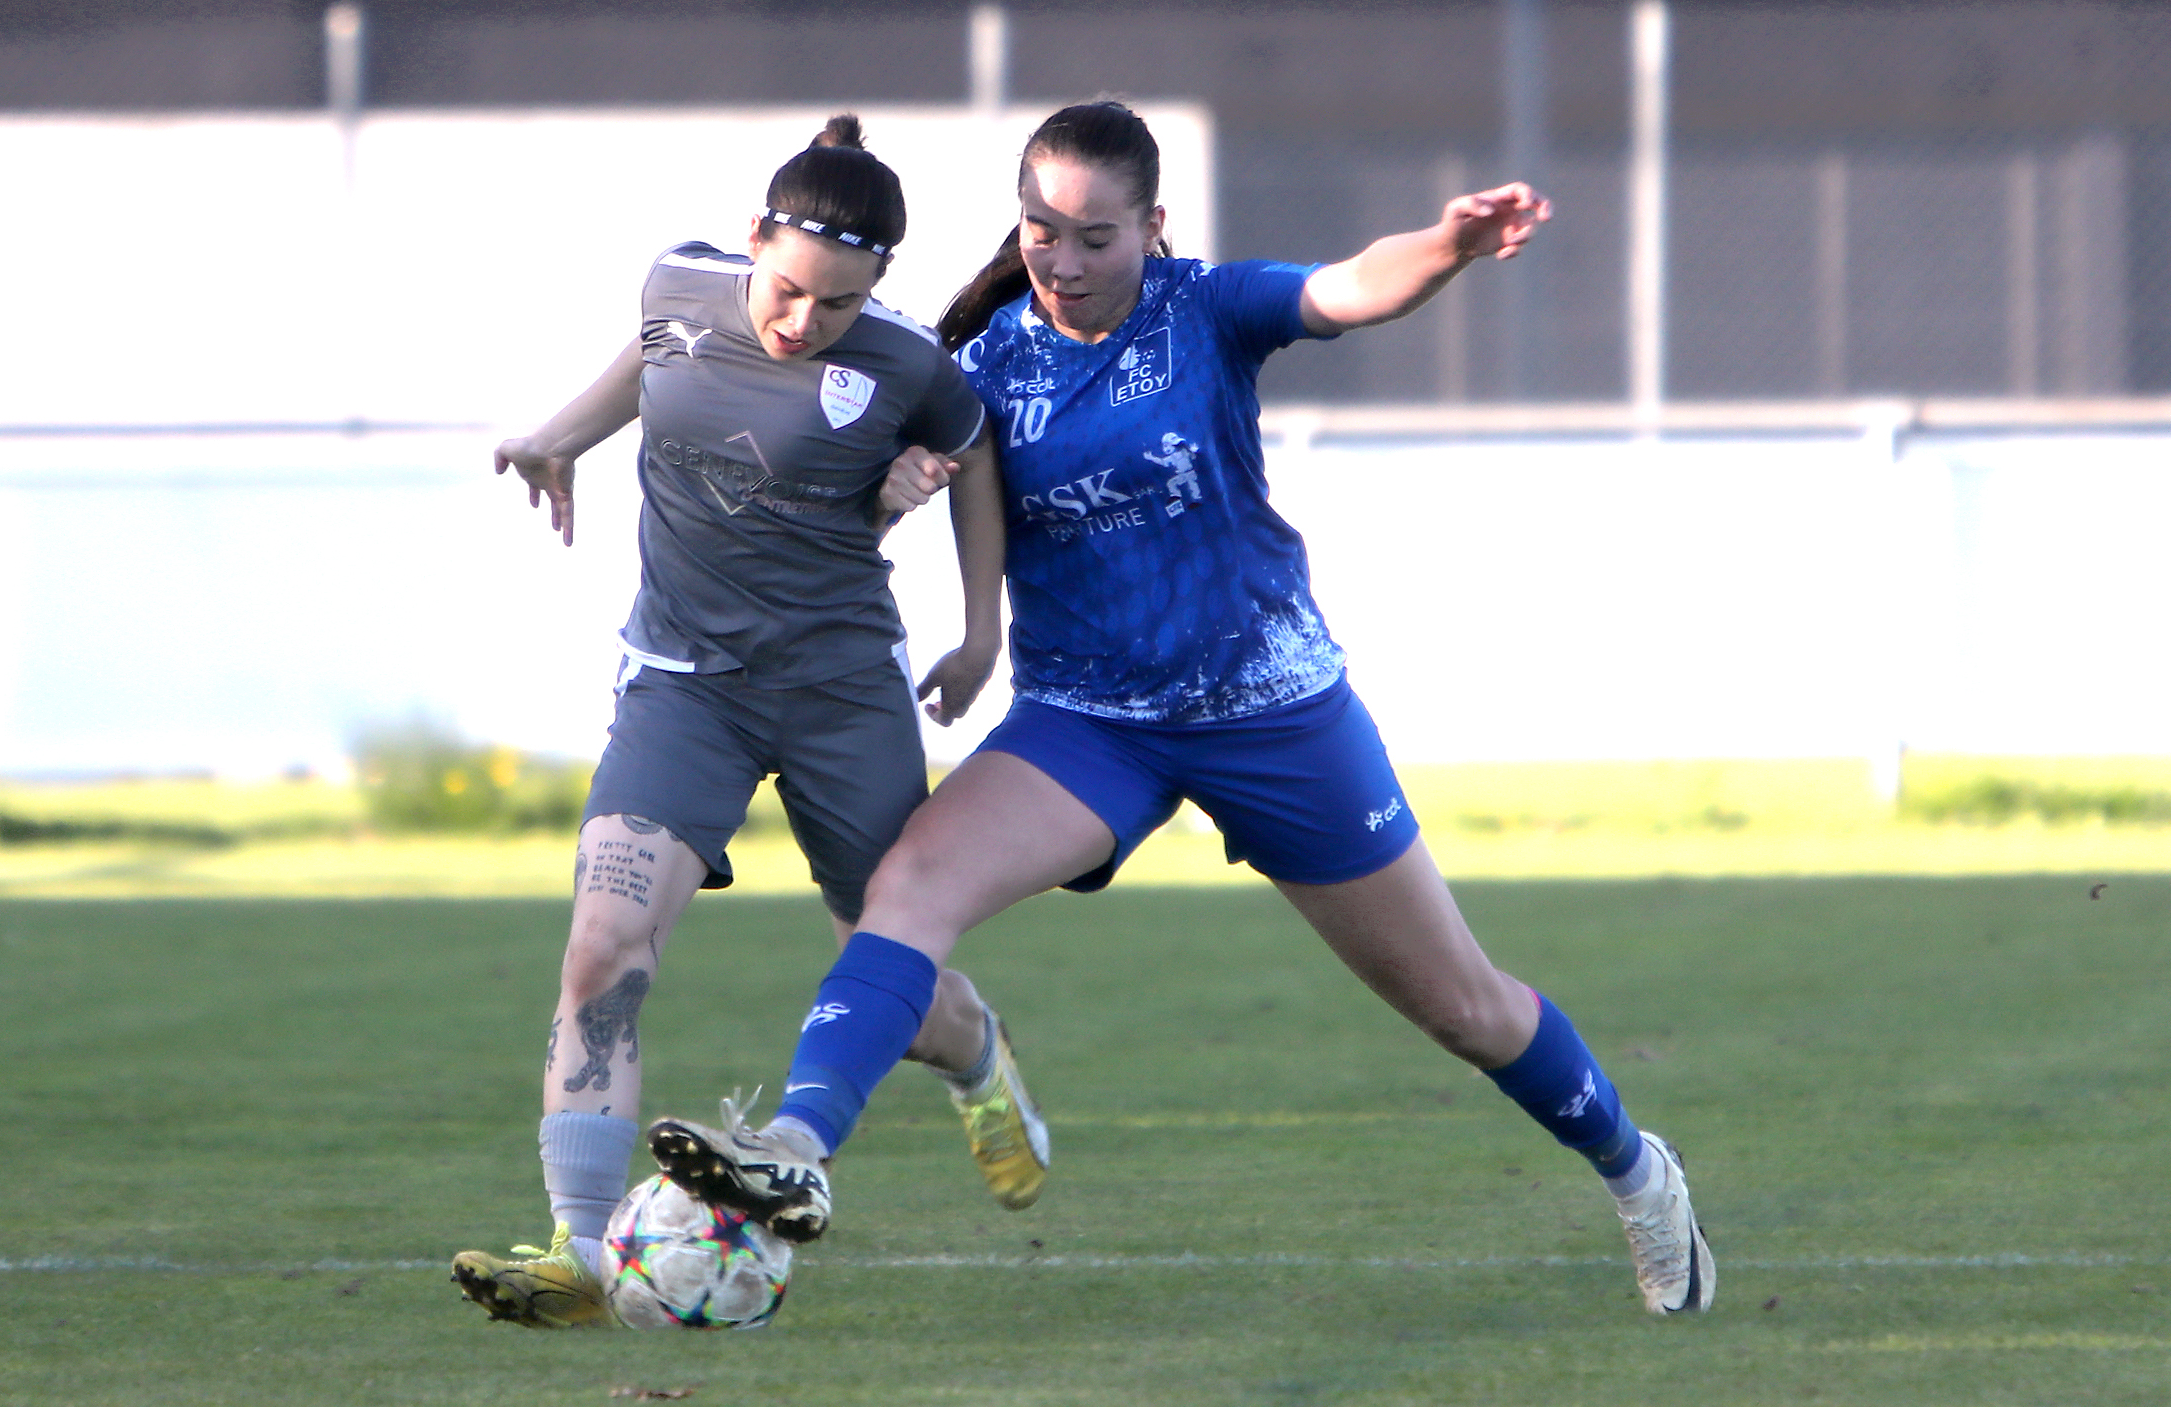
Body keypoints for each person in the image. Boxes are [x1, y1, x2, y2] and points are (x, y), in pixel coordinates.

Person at [649, 101, 1713, 1316]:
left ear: (1153, 227)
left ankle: (1639, 1173)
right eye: (1041, 230)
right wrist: (896, 492)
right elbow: (840, 472)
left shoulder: (1206, 309)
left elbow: (1348, 287)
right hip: (1089, 725)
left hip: (1272, 712)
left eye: (1094, 236)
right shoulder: (981, 367)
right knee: (909, 887)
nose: (1063, 258)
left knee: (1462, 1007)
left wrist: (1449, 245)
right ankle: (794, 1147)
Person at [448, 115, 1052, 1331]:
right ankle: (578, 1253)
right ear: (751, 242)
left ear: (877, 289)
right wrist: (561, 435)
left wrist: (983, 632)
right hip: (684, 687)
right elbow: (651, 350)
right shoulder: (679, 283)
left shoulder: (903, 369)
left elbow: (974, 458)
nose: (799, 323)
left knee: (887, 960)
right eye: (785, 290)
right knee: (602, 951)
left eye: (835, 306)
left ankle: (981, 1061)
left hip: (841, 698)